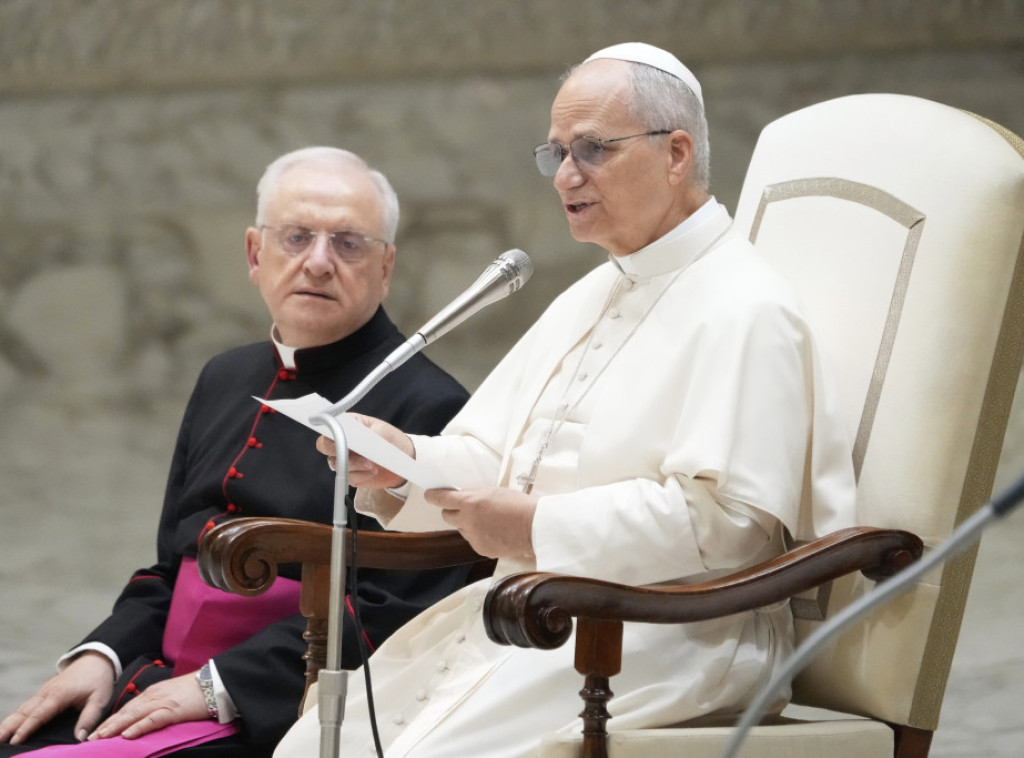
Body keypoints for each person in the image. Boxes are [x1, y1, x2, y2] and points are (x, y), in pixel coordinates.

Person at [273, 43, 859, 758]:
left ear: (676, 154)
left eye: (591, 150)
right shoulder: (595, 289)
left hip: (667, 637)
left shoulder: (747, 309)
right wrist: (405, 463)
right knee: (312, 746)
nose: (567, 176)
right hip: (540, 614)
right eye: (555, 154)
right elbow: (496, 454)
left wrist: (536, 529)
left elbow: (728, 524)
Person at [0, 147, 473, 757]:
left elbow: (402, 613)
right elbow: (171, 567)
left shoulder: (429, 406)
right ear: (255, 254)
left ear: (386, 267)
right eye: (296, 237)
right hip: (154, 678)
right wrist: (102, 654)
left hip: (283, 705)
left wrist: (219, 685)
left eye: (350, 243)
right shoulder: (224, 376)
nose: (319, 262)